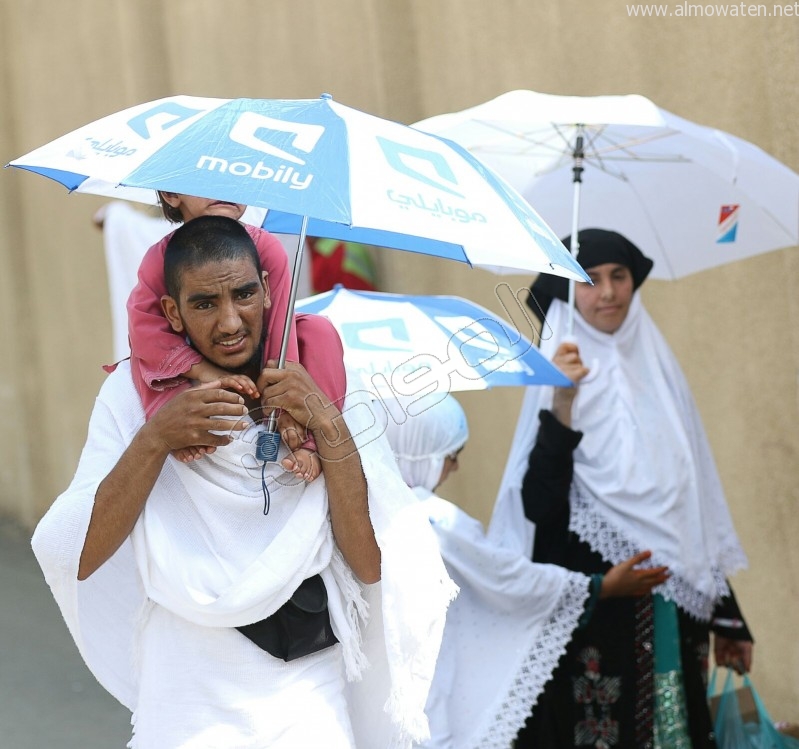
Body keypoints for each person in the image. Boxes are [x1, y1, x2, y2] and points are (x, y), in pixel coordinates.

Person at [32, 215, 455, 748]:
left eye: (244, 295)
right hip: (186, 691)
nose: (230, 322)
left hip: (307, 695)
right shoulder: (133, 394)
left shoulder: (322, 377)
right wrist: (156, 438)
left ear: (269, 290)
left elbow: (369, 563)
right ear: (172, 313)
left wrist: (325, 423)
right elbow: (78, 553)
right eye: (205, 304)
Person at [491, 228, 753, 748]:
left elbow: (692, 504)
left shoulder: (660, 374)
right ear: (568, 292)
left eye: (619, 276)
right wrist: (562, 404)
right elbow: (540, 506)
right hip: (600, 613)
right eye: (589, 280)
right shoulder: (557, 379)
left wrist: (729, 618)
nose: (608, 292)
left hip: (677, 612)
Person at [381, 392, 669, 749]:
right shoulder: (434, 520)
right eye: (451, 456)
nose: (455, 468)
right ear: (421, 453)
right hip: (431, 679)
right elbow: (506, 577)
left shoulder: (374, 506)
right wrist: (598, 586)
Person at [126, 191, 346, 479]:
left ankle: (311, 445)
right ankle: (175, 424)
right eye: (208, 181)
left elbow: (280, 325)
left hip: (262, 348)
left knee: (318, 330)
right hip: (190, 353)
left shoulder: (266, 246)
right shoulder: (160, 258)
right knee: (141, 354)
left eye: (236, 179)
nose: (224, 191)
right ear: (170, 194)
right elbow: (144, 327)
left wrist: (284, 408)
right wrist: (205, 371)